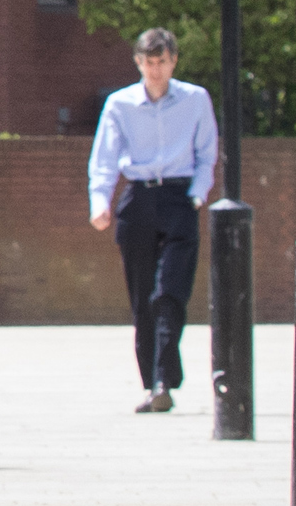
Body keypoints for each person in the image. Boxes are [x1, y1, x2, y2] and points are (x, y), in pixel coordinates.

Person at [87, 26, 222, 416]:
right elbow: (105, 158)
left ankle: (165, 378)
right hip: (139, 199)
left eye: (162, 62)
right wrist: (101, 201)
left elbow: (206, 153)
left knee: (169, 292)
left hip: (179, 199)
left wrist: (197, 195)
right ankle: (154, 383)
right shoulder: (120, 104)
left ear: (173, 61)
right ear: (138, 63)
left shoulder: (195, 100)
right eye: (149, 62)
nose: (156, 70)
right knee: (143, 298)